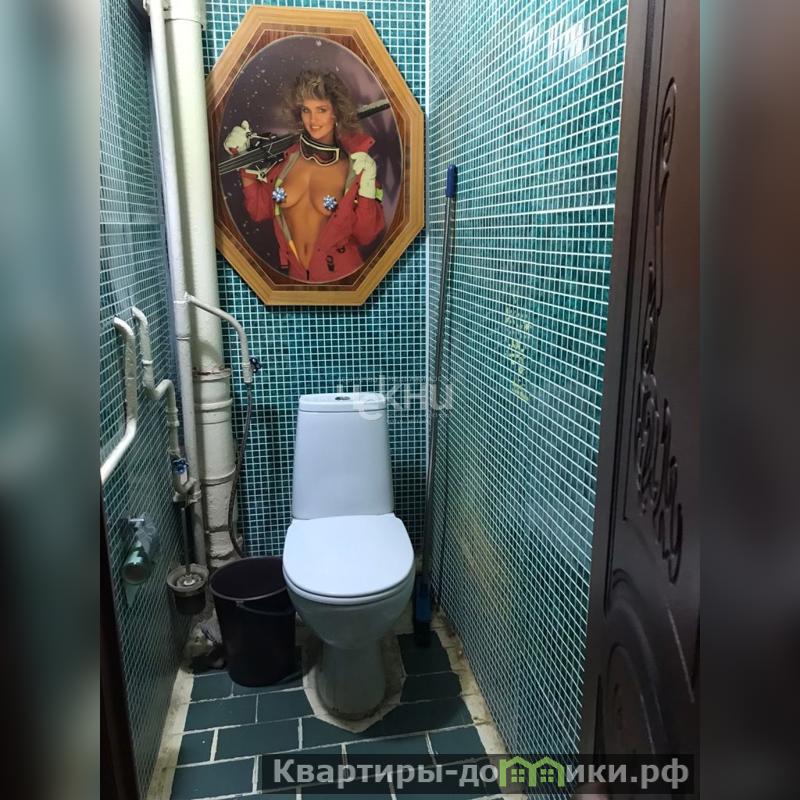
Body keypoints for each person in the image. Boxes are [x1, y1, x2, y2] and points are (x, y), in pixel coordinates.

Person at [224, 71, 385, 283]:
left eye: (321, 110)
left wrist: (367, 188)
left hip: (345, 280)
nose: (313, 120)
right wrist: (244, 160)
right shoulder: (286, 162)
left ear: (336, 113)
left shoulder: (355, 165)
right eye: (306, 110)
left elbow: (366, 235)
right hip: (297, 278)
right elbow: (259, 210)